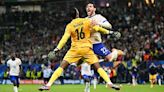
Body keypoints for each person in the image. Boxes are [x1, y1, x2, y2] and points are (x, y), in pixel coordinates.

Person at [38, 8, 120, 91]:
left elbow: (64, 39)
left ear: (70, 17)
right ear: (78, 14)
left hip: (75, 50)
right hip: (87, 49)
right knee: (98, 67)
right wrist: (110, 33)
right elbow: (97, 28)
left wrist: (56, 49)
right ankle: (109, 83)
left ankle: (48, 85)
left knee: (62, 67)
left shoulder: (69, 26)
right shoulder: (86, 21)